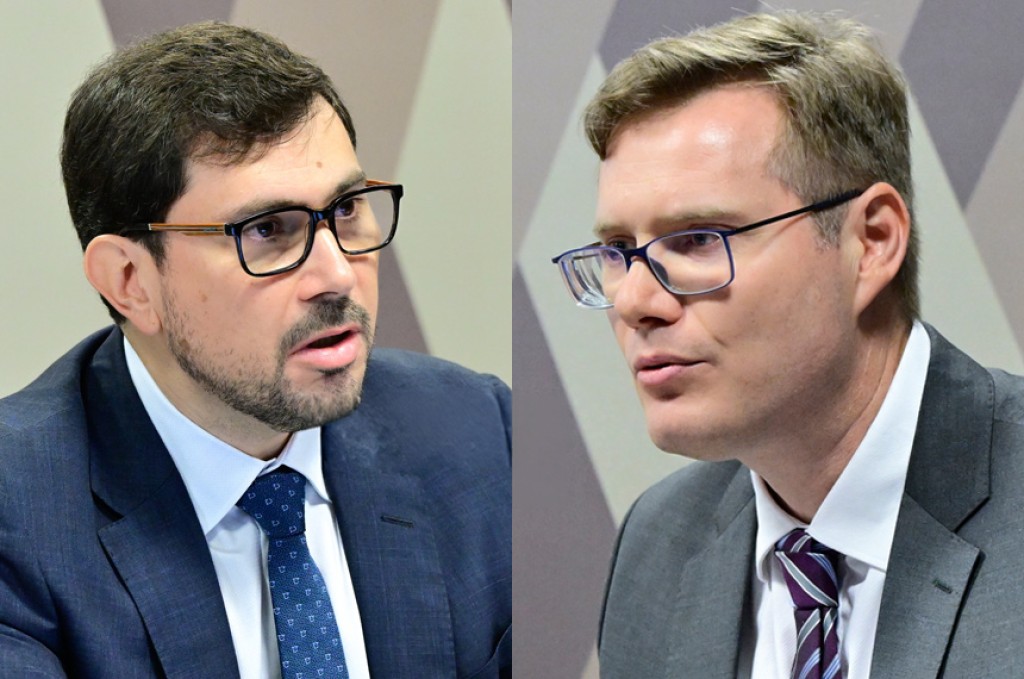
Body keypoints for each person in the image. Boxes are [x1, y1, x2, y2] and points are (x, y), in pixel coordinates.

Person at [0, 22, 510, 678]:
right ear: (130, 281)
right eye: (268, 230)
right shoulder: (19, 515)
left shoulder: (479, 433)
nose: (336, 275)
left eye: (346, 209)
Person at [551, 11, 1024, 678]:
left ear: (871, 242)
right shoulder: (657, 545)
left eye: (697, 239)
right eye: (618, 250)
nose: (634, 301)